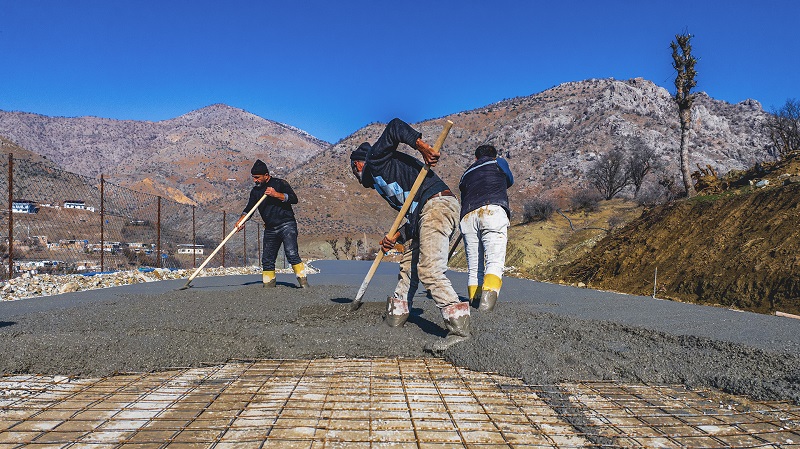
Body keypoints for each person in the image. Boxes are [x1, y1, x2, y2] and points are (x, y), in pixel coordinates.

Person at [350, 118, 468, 351]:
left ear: (358, 164)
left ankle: (460, 330)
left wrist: (423, 148)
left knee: (429, 269)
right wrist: (397, 237)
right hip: (426, 211)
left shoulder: (376, 160)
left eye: (354, 167)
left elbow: (394, 126)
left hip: (437, 206)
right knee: (408, 267)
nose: (355, 172)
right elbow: (414, 216)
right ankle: (396, 316)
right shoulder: (384, 179)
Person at [235, 159, 309, 288]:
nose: (255, 180)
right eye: (253, 178)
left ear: (266, 176)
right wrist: (241, 220)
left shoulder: (280, 183)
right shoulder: (255, 192)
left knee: (291, 253)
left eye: (257, 177)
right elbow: (249, 209)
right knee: (267, 259)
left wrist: (276, 194)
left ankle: (303, 283)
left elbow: (293, 199)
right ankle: (268, 285)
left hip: (287, 224)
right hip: (270, 229)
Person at [458, 144, 514, 311]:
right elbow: (509, 180)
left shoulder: (465, 173)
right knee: (494, 261)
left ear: (475, 158)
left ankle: (474, 302)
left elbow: (464, 193)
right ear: (494, 155)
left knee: (475, 266)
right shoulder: (498, 162)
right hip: (492, 210)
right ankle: (485, 307)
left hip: (467, 216)